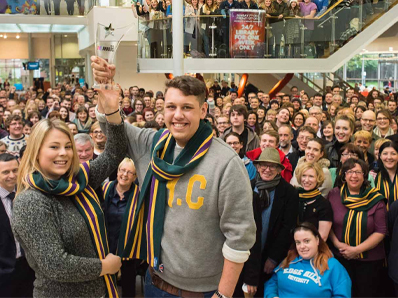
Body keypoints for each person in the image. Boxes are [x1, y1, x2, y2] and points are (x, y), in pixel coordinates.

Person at [92, 57, 256, 297]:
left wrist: (223, 295)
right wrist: (106, 99)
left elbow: (239, 238)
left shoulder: (226, 163)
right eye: (171, 107)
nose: (177, 115)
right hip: (154, 280)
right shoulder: (152, 143)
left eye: (187, 107)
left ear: (203, 110)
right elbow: (113, 131)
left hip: (203, 291)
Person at [11, 86, 127, 297]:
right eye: (54, 147)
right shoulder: (31, 201)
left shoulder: (80, 179)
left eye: (67, 146)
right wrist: (104, 267)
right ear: (36, 152)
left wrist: (111, 111)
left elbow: (115, 152)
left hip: (99, 291)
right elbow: (55, 264)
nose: (63, 153)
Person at [327, 158, 387, 298]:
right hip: (340, 258)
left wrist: (356, 250)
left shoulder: (376, 198)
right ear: (344, 175)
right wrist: (337, 244)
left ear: (364, 175)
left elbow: (381, 231)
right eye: (350, 172)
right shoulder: (334, 194)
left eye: (358, 172)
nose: (354, 176)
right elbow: (327, 222)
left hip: (369, 261)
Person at [252, 147, 299, 295]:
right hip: (246, 255)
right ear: (258, 167)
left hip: (270, 256)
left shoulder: (289, 193)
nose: (267, 169)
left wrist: (273, 258)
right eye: (264, 165)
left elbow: (288, 228)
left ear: (279, 169)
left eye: (272, 166)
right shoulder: (248, 186)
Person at [264, 222, 351, 298]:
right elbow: (272, 282)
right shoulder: (290, 259)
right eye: (298, 242)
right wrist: (272, 296)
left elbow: (342, 295)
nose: (302, 246)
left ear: (317, 240)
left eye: (306, 241)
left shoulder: (333, 266)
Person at [102, 158, 141, 298]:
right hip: (105, 246)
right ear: (117, 171)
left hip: (128, 248)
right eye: (122, 170)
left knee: (129, 287)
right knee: (106, 285)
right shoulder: (104, 189)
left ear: (135, 177)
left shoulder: (140, 195)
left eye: (130, 172)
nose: (125, 175)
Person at [0, 153, 35, 297]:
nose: (12, 175)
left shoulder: (27, 193)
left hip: (29, 271)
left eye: (15, 170)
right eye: (5, 172)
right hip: (4, 276)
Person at [294, 162, 333, 240]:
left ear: (318, 178)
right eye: (304, 176)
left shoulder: (323, 204)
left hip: (313, 248)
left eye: (311, 176)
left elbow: (322, 237)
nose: (306, 180)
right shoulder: (293, 197)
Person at [375, 141, 398, 210]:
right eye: (385, 154)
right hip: (381, 217)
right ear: (380, 156)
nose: (389, 157)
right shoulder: (373, 175)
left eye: (393, 154)